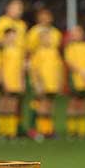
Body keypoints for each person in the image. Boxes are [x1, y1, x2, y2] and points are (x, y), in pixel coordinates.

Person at [26, 8, 63, 140]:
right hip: (39, 72)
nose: (45, 18)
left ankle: (47, 129)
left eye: (47, 16)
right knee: (38, 100)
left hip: (51, 75)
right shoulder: (34, 32)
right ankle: (34, 128)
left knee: (49, 102)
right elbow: (29, 50)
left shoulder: (56, 33)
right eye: (42, 16)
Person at [63, 26, 85, 139]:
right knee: (73, 104)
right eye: (74, 33)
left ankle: (82, 131)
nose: (77, 35)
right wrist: (81, 72)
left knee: (83, 104)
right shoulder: (70, 47)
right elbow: (69, 62)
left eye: (79, 32)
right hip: (75, 79)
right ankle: (72, 130)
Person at [0, 27, 25, 140]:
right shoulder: (2, 51)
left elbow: (21, 69)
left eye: (14, 35)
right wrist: (3, 80)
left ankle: (11, 132)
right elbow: (0, 67)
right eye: (10, 35)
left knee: (14, 106)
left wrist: (22, 82)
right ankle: (3, 131)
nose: (12, 38)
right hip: (6, 80)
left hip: (16, 81)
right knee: (4, 105)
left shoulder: (19, 51)